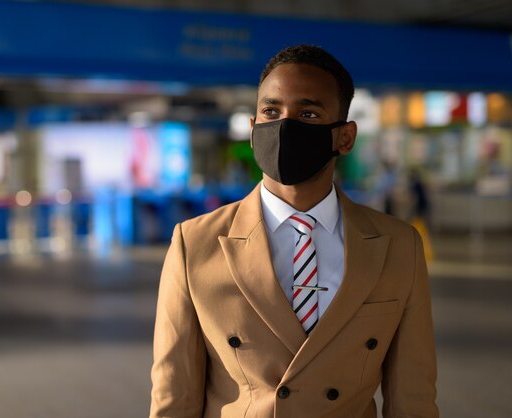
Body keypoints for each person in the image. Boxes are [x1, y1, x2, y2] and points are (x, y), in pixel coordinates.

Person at [150, 45, 438, 418]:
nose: (285, 126)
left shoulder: (398, 246)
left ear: (345, 137)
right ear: (254, 130)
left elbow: (413, 398)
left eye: (308, 113)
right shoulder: (195, 243)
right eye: (271, 111)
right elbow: (174, 395)